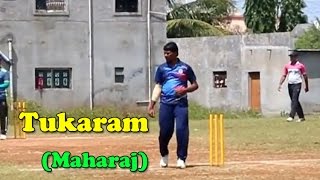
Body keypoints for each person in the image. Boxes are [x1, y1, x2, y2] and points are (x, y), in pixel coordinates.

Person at [148, 41, 199, 169]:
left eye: (168, 53)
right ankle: (164, 154)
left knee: (182, 130)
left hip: (181, 104)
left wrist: (185, 90)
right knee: (165, 132)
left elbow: (195, 84)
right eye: (164, 53)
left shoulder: (185, 68)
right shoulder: (161, 69)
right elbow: (158, 86)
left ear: (175, 53)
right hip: (165, 104)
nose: (165, 55)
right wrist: (151, 105)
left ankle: (181, 158)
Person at [278, 50, 309, 122]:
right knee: (294, 100)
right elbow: (284, 75)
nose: (291, 58)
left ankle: (291, 116)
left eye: (292, 57)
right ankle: (301, 117)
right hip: (290, 84)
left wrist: (307, 86)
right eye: (290, 57)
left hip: (297, 84)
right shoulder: (287, 65)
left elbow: (305, 76)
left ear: (296, 57)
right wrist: (280, 84)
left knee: (294, 100)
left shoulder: (300, 66)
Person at [0, 63, 9, 140]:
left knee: (3, 115)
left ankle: (3, 132)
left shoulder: (4, 72)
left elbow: (6, 84)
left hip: (1, 97)